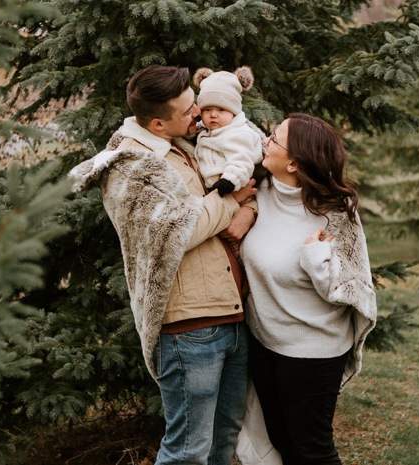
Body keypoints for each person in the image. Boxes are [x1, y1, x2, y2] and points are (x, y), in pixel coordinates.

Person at [68, 65, 258, 465]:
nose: (199, 113)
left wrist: (246, 209)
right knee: (188, 451)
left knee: (224, 442)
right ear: (157, 123)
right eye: (189, 108)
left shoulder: (187, 145)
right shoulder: (130, 167)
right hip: (189, 328)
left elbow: (236, 188)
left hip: (232, 314)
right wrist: (232, 202)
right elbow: (177, 232)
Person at [239, 114, 378, 465]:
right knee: (283, 443)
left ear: (294, 162)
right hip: (264, 343)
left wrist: (316, 258)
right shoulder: (260, 191)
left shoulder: (334, 213)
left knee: (312, 451)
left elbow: (351, 288)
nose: (265, 140)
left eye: (275, 137)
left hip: (312, 352)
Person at [192, 66, 263, 197]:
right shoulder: (208, 128)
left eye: (221, 109)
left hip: (231, 188)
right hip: (211, 190)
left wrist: (230, 180)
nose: (213, 115)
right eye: (207, 109)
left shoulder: (237, 133)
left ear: (233, 111)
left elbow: (241, 159)